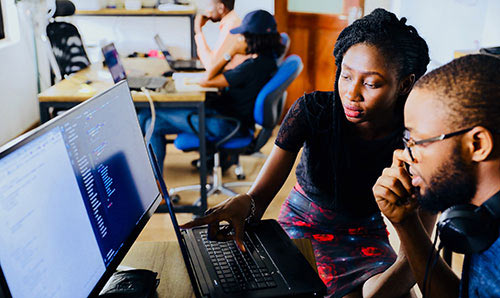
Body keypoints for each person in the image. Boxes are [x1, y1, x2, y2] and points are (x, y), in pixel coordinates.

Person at [182, 8, 432, 298]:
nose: (352, 93)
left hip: (366, 236)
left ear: (404, 84)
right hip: (302, 227)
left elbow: (416, 256)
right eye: (346, 76)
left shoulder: (418, 142)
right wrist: (244, 204)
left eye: (370, 83)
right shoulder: (313, 112)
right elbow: (258, 201)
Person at [373, 54, 500, 298]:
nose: (405, 155)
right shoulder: (481, 217)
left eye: (417, 141)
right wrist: (406, 223)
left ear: (477, 144)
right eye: (406, 140)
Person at [140, 10, 285, 173]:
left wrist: (230, 53)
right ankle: (156, 183)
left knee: (148, 116)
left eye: (242, 36)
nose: (239, 39)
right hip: (231, 119)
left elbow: (206, 79)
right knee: (150, 122)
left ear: (253, 39)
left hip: (225, 124)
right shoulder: (267, 61)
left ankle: (150, 181)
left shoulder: (252, 67)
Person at [194, 0, 248, 72]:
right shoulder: (233, 21)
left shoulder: (231, 26)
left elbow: (211, 66)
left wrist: (198, 31)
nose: (206, 11)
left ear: (220, 8)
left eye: (209, 6)